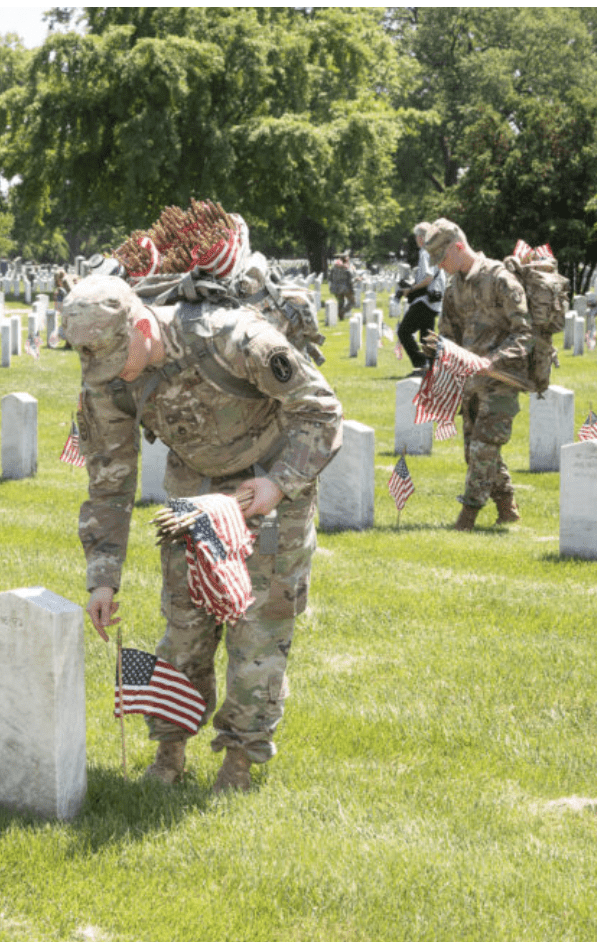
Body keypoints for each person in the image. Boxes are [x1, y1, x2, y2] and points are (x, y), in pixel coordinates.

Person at [63, 274, 343, 793]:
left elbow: (321, 409)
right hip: (195, 496)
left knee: (258, 634)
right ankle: (169, 751)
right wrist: (103, 578)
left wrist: (279, 484)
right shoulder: (107, 376)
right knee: (184, 629)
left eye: (119, 357)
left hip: (269, 487)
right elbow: (108, 479)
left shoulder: (232, 338)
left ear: (143, 325)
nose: (112, 371)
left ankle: (239, 760)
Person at [423, 218, 534, 530]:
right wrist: (440, 357)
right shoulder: (453, 289)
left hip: (502, 381)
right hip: (470, 383)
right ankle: (507, 507)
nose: (440, 266)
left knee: (484, 447)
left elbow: (525, 334)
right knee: (475, 451)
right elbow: (449, 335)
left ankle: (467, 518)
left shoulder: (500, 280)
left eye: (442, 258)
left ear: (458, 247)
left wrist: (493, 361)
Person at [395, 222, 445, 375]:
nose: (416, 239)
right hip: (435, 302)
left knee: (404, 331)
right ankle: (431, 369)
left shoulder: (425, 252)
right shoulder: (436, 251)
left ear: (422, 237)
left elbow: (428, 278)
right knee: (426, 337)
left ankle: (421, 363)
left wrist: (410, 290)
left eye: (417, 236)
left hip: (425, 301)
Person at [328, 254, 356, 320]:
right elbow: (350, 279)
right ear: (346, 259)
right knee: (352, 301)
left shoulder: (334, 267)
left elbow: (330, 277)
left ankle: (341, 317)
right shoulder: (347, 268)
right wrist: (357, 279)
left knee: (340, 302)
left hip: (335, 288)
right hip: (345, 288)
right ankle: (342, 311)